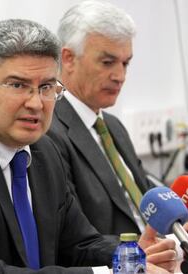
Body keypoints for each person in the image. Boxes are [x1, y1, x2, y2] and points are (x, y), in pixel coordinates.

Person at [0, 19, 175, 273]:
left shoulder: (42, 150)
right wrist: (110, 273)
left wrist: (134, 256)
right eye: (17, 85)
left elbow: (78, 243)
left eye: (47, 87)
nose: (36, 103)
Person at [47, 0, 153, 236]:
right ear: (68, 58)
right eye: (107, 62)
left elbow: (147, 204)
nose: (120, 76)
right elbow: (73, 238)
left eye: (125, 63)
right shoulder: (47, 130)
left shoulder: (113, 127)